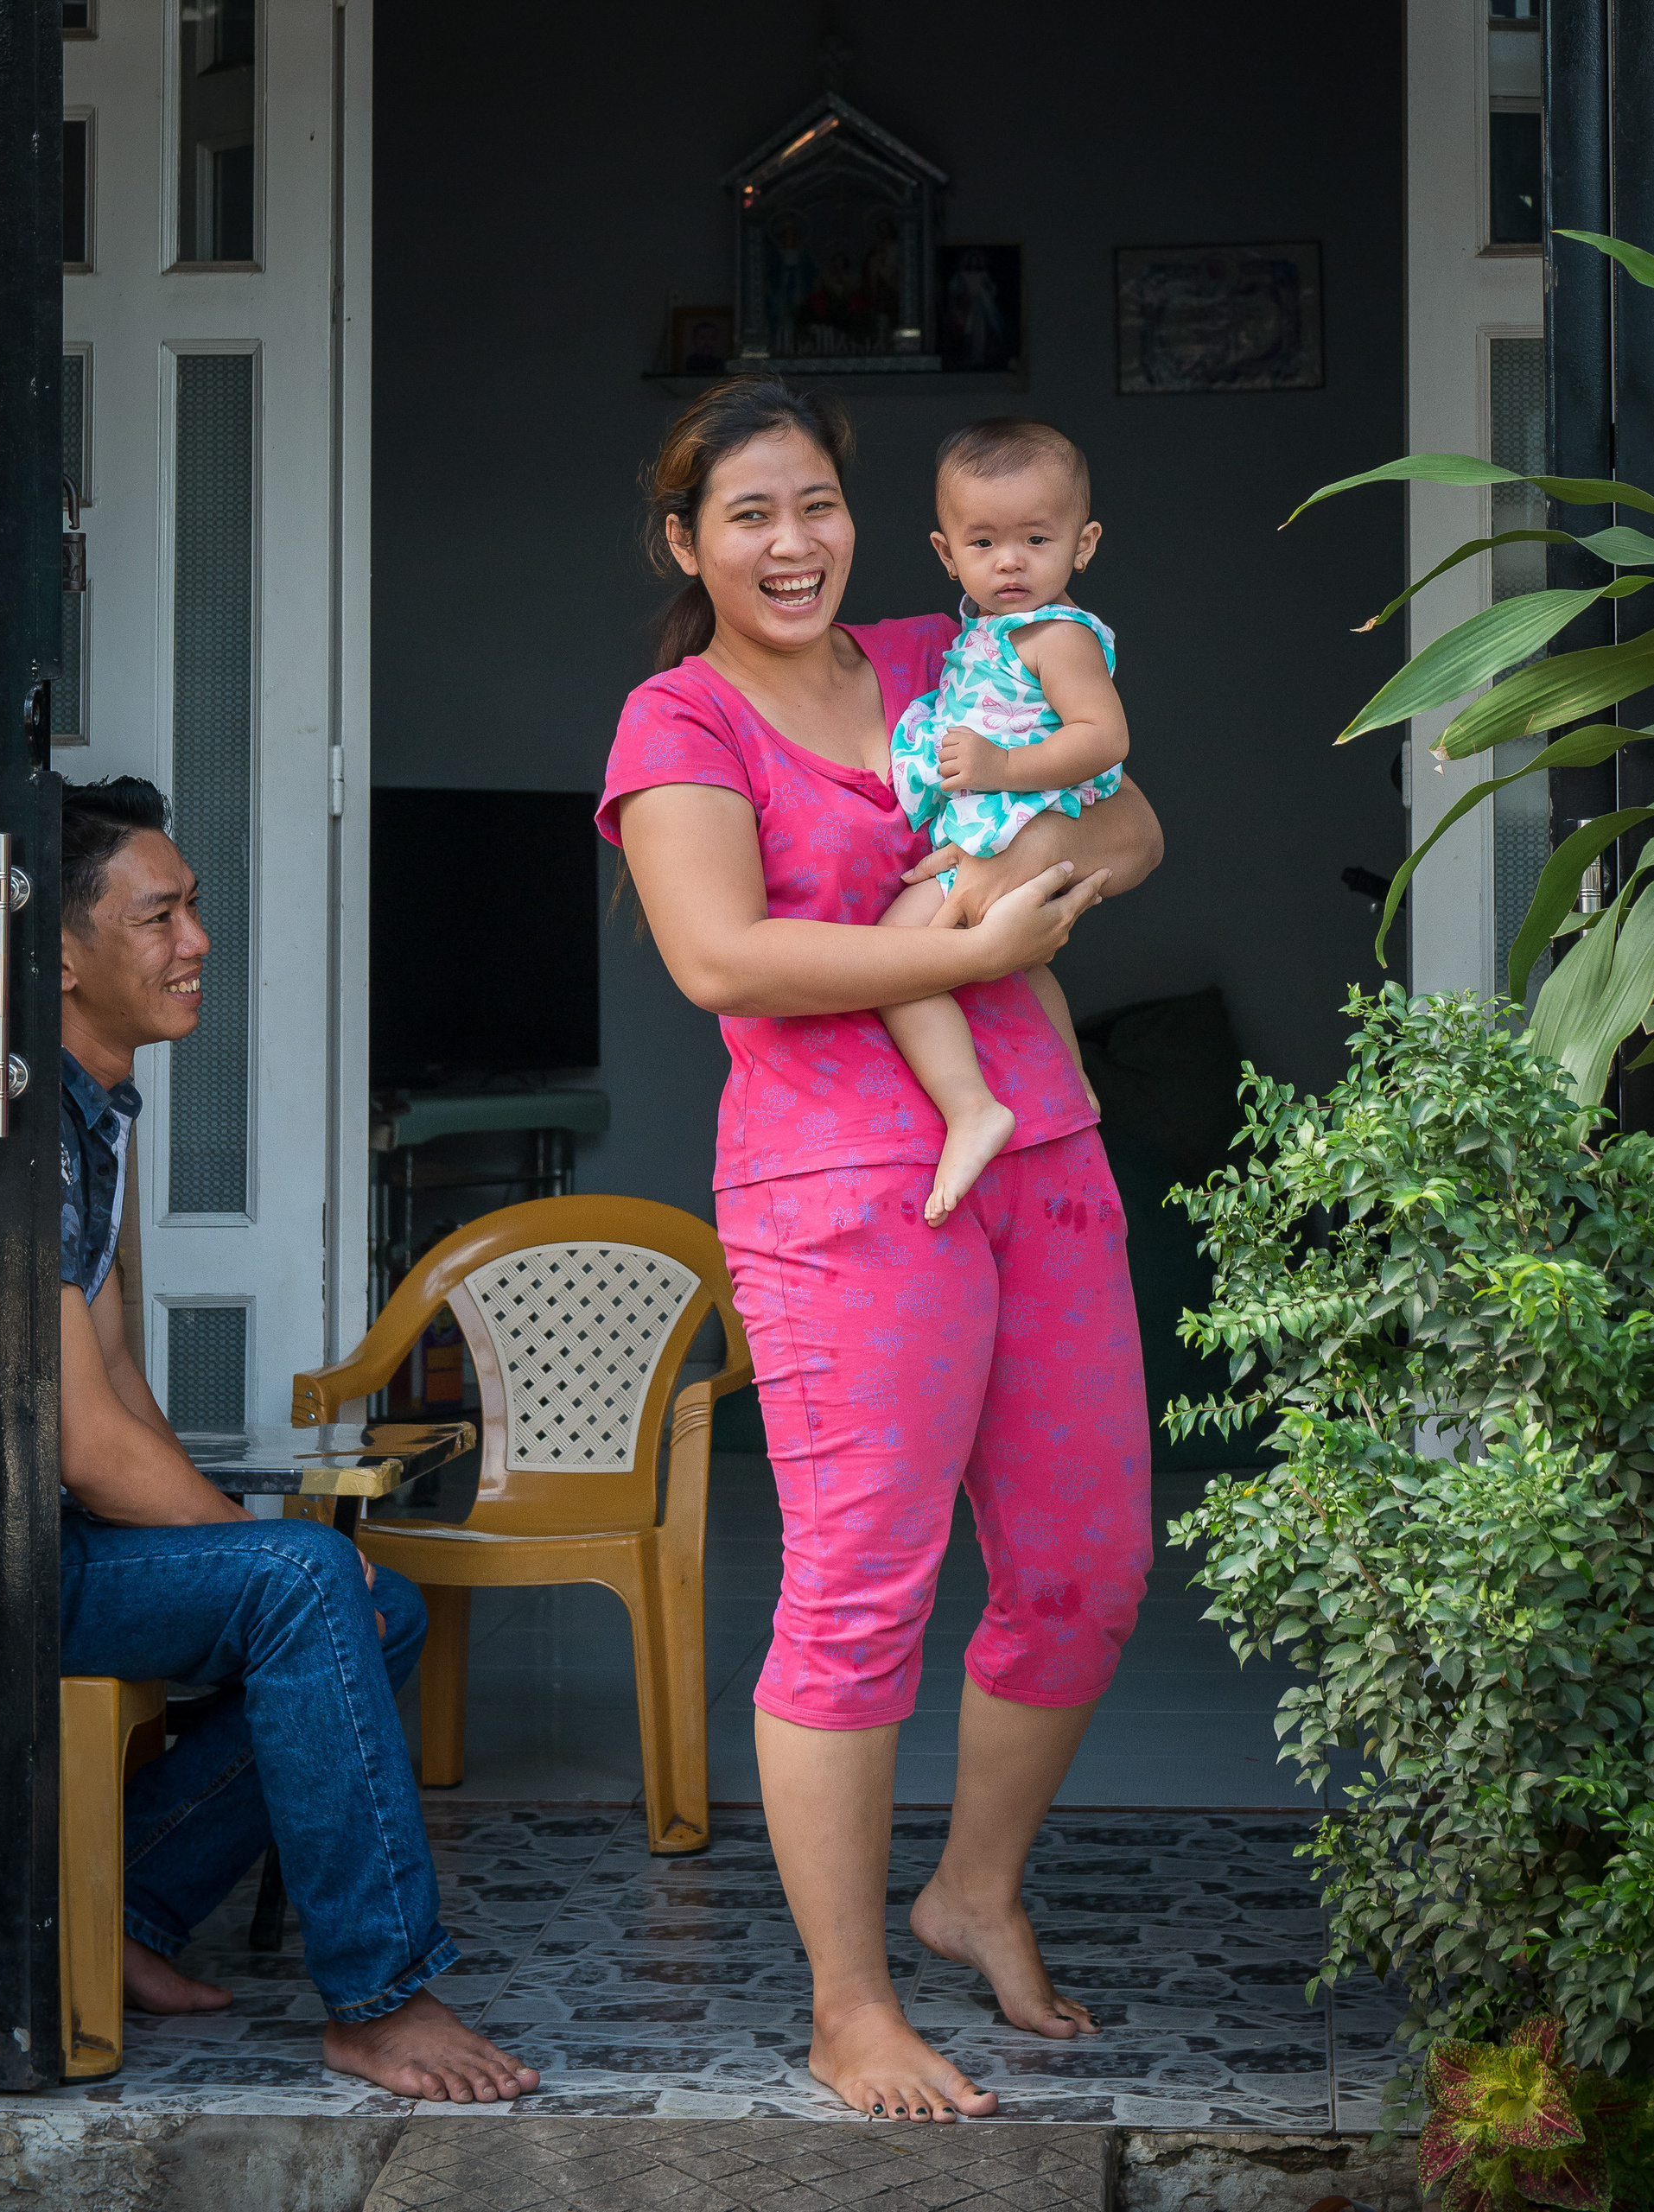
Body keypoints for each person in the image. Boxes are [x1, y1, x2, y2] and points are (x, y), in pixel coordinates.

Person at [601, 378, 1163, 2124]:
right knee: (859, 1594)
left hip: (1041, 1145)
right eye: (750, 514)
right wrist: (975, 940)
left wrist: (1003, 895)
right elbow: (725, 961)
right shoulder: (677, 719)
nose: (793, 542)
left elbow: (1133, 824)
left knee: (1088, 1559)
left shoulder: (951, 644)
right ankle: (850, 2003)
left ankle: (970, 1884)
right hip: (846, 1183)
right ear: (686, 543)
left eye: (817, 502)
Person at [0, 779, 538, 2106]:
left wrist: (263, 1562)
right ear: (58, 955)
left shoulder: (80, 1121)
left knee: (377, 1604)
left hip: (28, 1541)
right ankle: (379, 2000)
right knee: (311, 1584)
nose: (197, 940)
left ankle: (131, 1912)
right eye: (160, 913)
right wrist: (269, 1563)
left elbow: (113, 1390)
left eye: (194, 907)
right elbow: (91, 1449)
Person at [880, 417, 1126, 1224]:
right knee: (1023, 969)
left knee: (896, 964)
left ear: (1083, 545)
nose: (1010, 560)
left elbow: (1104, 738)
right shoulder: (979, 635)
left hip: (1018, 821)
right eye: (982, 542)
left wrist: (998, 770)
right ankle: (1072, 1081)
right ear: (947, 554)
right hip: (996, 824)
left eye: (1036, 538)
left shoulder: (1059, 636)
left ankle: (971, 1108)